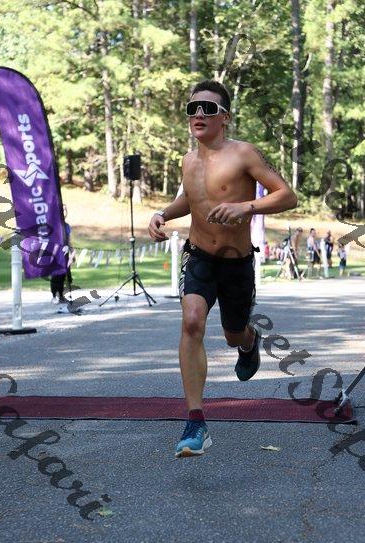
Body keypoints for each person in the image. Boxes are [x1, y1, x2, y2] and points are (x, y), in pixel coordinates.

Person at [148, 79, 297, 458]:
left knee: (233, 335)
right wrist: (162, 213)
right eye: (192, 108)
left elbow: (287, 195)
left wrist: (246, 206)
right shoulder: (188, 161)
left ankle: (248, 343)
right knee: (191, 322)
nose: (199, 114)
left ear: (225, 117)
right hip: (199, 256)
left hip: (236, 263)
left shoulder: (244, 154)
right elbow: (190, 199)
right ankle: (195, 422)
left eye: (208, 108)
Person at [50, 206, 74, 304]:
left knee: (64, 275)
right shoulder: (54, 225)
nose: (63, 212)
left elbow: (69, 241)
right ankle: (54, 296)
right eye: (62, 210)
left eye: (64, 211)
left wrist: (72, 253)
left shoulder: (67, 226)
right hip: (56, 253)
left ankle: (61, 296)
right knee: (56, 275)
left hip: (65, 253)